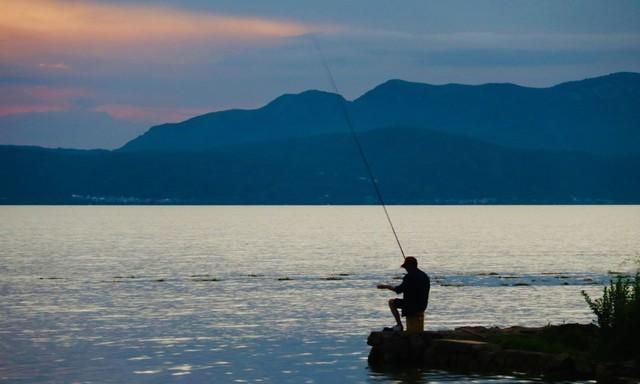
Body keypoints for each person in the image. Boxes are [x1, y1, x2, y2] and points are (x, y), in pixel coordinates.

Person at [377, 256, 430, 331]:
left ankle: (399, 326)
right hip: (422, 305)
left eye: (406, 267)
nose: (406, 269)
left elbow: (398, 290)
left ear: (410, 266)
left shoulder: (409, 277)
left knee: (391, 302)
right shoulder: (425, 276)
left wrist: (386, 286)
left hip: (412, 305)